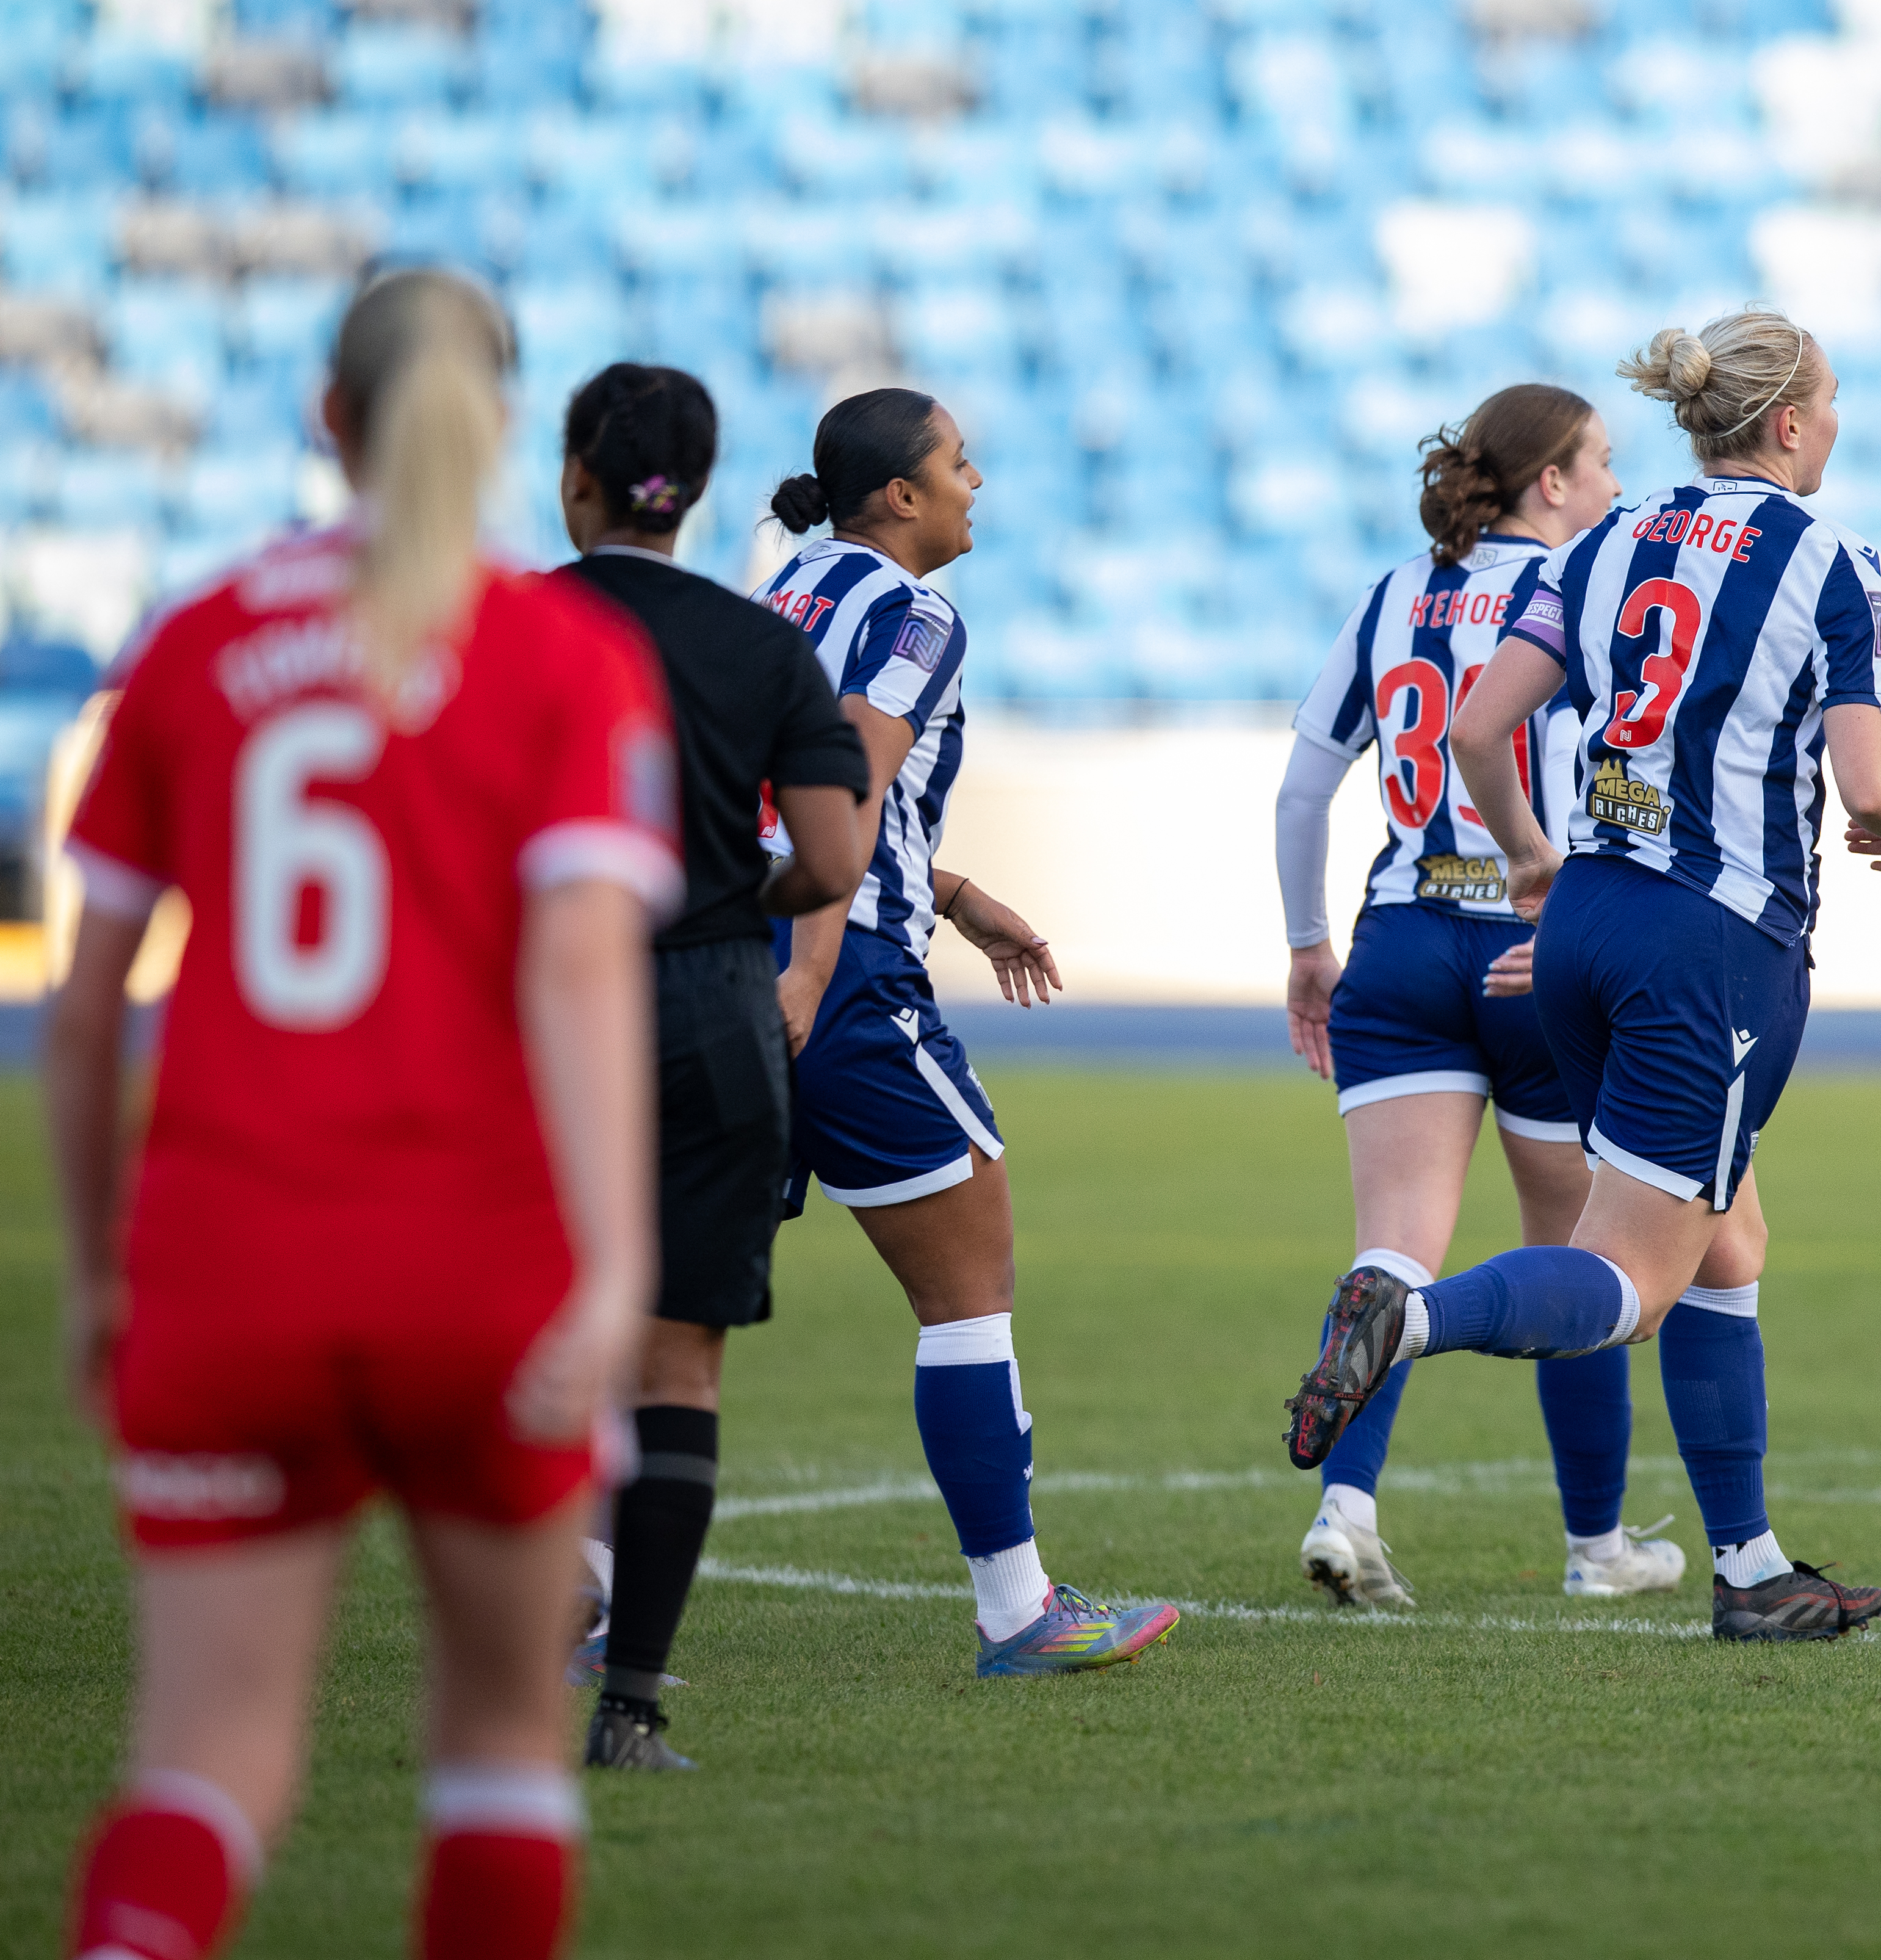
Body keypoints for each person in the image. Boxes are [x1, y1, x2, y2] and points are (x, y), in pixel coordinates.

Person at [51, 269, 674, 1960]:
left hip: (227, 1261)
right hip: (483, 1274)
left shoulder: (195, 642)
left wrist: (101, 1267)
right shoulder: (560, 656)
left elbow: (86, 996)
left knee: (208, 1752)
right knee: (495, 1741)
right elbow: (578, 978)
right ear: (499, 426)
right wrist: (615, 1267)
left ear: (326, 417)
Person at [1279, 308, 1881, 1644]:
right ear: (1793, 422)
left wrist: (1531, 861)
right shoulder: (1839, 561)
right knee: (1631, 1276)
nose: (1839, 420)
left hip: (1577, 926)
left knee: (1727, 1237)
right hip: (1713, 944)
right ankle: (1410, 1319)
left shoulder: (1607, 541)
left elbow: (1474, 724)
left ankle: (1749, 1561)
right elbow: (1874, 786)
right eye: (1836, 399)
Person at [755, 387, 1181, 1676]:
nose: (976, 479)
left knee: (672, 1300)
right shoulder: (912, 609)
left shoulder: (774, 597)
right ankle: (1016, 1608)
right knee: (967, 1282)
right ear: (898, 495)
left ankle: (581, 1600)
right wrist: (823, 962)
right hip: (835, 967)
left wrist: (949, 890)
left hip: (720, 948)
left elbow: (762, 788)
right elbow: (841, 784)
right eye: (957, 462)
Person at [1276, 383, 1686, 1607]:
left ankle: (1345, 1509)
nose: (1617, 484)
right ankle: (1599, 1546)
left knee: (1391, 1250)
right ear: (1550, 481)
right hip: (1531, 948)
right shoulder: (1587, 591)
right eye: (1603, 462)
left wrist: (1307, 946)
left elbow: (1303, 790)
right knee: (1580, 1252)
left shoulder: (1392, 592)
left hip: (1398, 945)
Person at [554, 363, 871, 1769]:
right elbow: (837, 858)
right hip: (712, 1001)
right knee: (680, 1362)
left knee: (539, 1339)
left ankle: (510, 1661)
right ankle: (631, 1705)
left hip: (553, 998)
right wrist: (746, 894)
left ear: (577, 479)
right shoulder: (757, 646)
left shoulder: (510, 628)